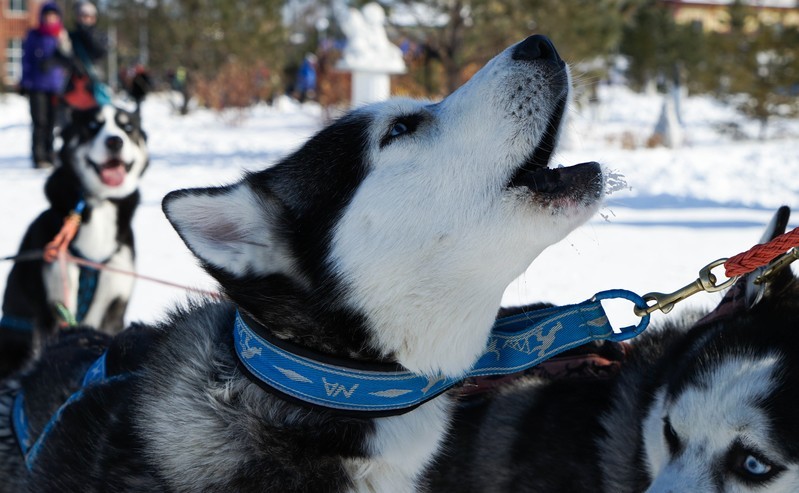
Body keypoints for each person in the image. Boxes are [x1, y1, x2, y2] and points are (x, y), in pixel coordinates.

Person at [20, 2, 71, 169]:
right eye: (47, 15)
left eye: (53, 15)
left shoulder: (61, 35)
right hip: (37, 85)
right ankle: (38, 156)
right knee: (39, 121)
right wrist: (25, 81)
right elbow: (26, 59)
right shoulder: (34, 35)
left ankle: (50, 153)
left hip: (55, 86)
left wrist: (56, 61)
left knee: (51, 121)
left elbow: (68, 58)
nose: (50, 18)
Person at [63, 1, 110, 110]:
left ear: (94, 18)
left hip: (93, 83)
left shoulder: (100, 35)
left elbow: (100, 52)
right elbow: (65, 55)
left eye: (88, 16)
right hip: (73, 84)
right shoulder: (71, 36)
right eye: (82, 15)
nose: (85, 19)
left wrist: (87, 34)